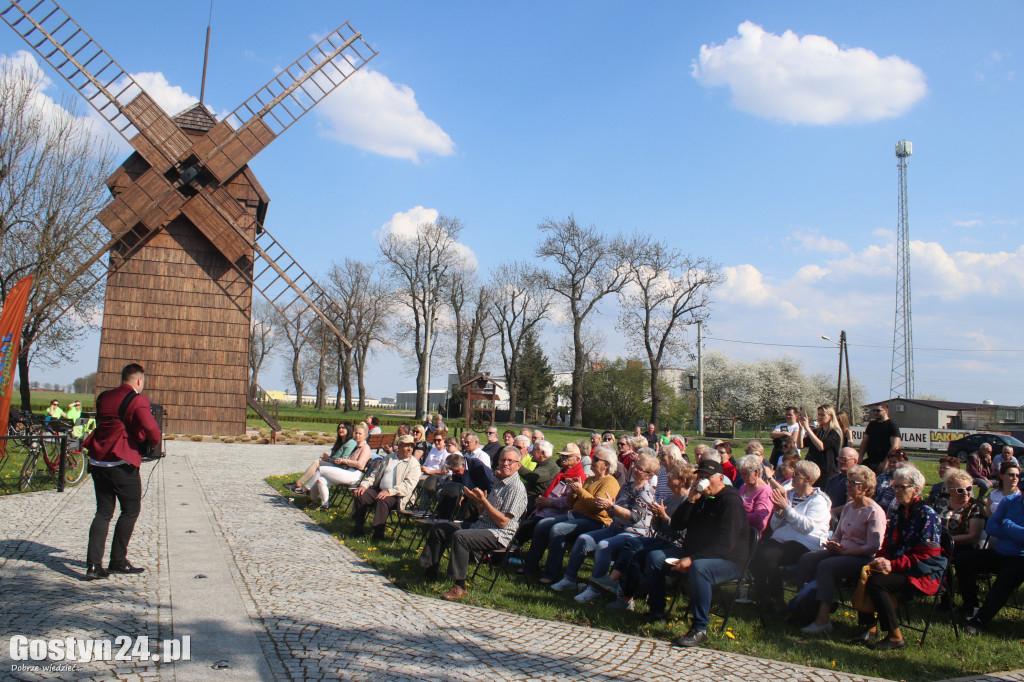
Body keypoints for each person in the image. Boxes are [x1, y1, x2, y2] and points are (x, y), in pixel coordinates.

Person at [646, 460, 749, 648]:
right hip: (695, 553)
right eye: (699, 477)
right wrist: (690, 500)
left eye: (707, 477)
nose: (702, 481)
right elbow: (677, 525)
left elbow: (727, 544)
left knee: (700, 568)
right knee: (655, 557)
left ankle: (699, 628)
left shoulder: (730, 501)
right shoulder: (701, 497)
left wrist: (692, 559)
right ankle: (656, 611)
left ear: (720, 479)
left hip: (729, 560)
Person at [419, 446, 528, 601]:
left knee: (460, 537)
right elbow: (486, 513)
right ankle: (430, 570)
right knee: (440, 528)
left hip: (499, 534)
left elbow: (503, 522)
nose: (505, 464)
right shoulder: (499, 482)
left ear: (518, 465)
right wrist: (478, 501)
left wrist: (484, 501)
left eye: (510, 461)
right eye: (503, 460)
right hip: (482, 525)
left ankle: (460, 585)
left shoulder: (515, 487)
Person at [84, 363, 161, 580]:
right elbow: (152, 428)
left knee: (103, 512)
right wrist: (152, 444)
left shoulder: (104, 397)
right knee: (130, 510)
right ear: (138, 381)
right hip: (121, 462)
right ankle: (117, 561)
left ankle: (93, 565)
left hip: (98, 460)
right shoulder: (137, 399)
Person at [856, 465, 946, 650]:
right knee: (867, 570)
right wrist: (881, 559)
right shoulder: (900, 512)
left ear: (916, 490)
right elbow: (888, 544)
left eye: (901, 487)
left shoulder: (927, 515)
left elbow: (926, 555)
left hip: (921, 571)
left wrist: (893, 565)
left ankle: (895, 636)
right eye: (895, 486)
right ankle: (869, 627)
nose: (896, 491)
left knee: (878, 583)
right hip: (900, 565)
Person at [556, 453, 659, 601]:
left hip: (633, 533)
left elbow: (634, 518)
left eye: (640, 469)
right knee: (584, 538)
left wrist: (612, 507)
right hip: (615, 527)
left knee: (604, 545)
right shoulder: (627, 486)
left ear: (649, 475)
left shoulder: (646, 492)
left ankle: (596, 589)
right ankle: (569, 579)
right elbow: (615, 510)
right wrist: (610, 508)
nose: (635, 470)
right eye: (636, 466)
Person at [798, 465, 886, 634]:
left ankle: (823, 619)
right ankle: (805, 607)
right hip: (841, 552)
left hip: (861, 557)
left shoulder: (874, 511)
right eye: (848, 481)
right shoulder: (849, 507)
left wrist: (845, 552)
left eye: (854, 483)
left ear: (866, 488)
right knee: (807, 559)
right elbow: (838, 534)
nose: (848, 485)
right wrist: (833, 544)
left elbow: (873, 546)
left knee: (827, 566)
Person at [603, 464, 696, 610]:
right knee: (631, 543)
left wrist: (663, 516)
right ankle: (616, 582)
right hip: (661, 539)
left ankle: (626, 593)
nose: (668, 476)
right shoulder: (671, 498)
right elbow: (657, 528)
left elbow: (680, 533)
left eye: (672, 475)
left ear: (683, 481)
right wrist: (657, 517)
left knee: (637, 556)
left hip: (673, 545)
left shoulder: (687, 503)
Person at [524, 446, 620, 583]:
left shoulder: (610, 482)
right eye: (593, 458)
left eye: (596, 459)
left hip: (595, 521)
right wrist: (573, 491)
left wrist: (580, 490)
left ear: (606, 465)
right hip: (577, 515)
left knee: (558, 529)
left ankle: (551, 573)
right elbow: (571, 503)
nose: (592, 461)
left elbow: (595, 508)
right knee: (542, 524)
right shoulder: (590, 479)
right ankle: (530, 567)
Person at [750, 460, 831, 611]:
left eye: (797, 474)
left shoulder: (818, 500)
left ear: (807, 479)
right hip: (782, 538)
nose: (792, 476)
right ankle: (764, 596)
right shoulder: (789, 495)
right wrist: (779, 513)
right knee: (753, 554)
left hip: (805, 542)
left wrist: (786, 508)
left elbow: (806, 527)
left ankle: (779, 599)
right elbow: (775, 526)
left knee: (769, 556)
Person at [956, 486, 1024, 635]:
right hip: (1000, 552)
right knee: (963, 560)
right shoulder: (1010, 501)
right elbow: (991, 527)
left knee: (1007, 576)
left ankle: (980, 619)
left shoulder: (1006, 515)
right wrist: (1016, 533)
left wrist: (1006, 524)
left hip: (1020, 558)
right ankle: (971, 605)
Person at [351, 434, 422, 540]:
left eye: (412, 446)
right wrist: (363, 485)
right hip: (379, 489)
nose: (410, 449)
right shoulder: (389, 458)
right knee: (361, 495)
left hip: (398, 496)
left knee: (382, 500)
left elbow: (408, 486)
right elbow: (375, 474)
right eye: (407, 446)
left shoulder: (413, 464)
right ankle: (358, 528)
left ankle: (378, 533)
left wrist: (389, 492)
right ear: (400, 445)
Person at [515, 445, 586, 545]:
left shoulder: (577, 477)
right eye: (562, 456)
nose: (562, 459)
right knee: (521, 520)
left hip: (559, 513)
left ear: (577, 459)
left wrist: (549, 502)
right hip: (545, 509)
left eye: (566, 457)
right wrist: (542, 500)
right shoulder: (563, 473)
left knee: (530, 526)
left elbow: (568, 502)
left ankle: (512, 552)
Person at [296, 423, 373, 508]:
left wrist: (345, 460)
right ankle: (324, 505)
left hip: (354, 475)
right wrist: (335, 459)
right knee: (321, 480)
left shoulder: (365, 448)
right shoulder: (356, 446)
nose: (357, 435)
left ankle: (306, 489)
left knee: (320, 469)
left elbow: (360, 465)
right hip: (347, 472)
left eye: (360, 434)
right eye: (356, 433)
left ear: (365, 436)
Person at [285, 421, 356, 495]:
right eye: (339, 428)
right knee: (318, 471)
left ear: (349, 429)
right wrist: (327, 457)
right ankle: (313, 499)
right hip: (333, 465)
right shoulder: (340, 442)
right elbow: (334, 458)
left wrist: (328, 459)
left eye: (343, 428)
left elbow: (342, 460)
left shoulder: (350, 443)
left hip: (340, 468)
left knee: (317, 463)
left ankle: (299, 485)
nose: (340, 430)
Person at [940, 468, 986, 553]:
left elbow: (974, 536)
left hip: (963, 549)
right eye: (960, 490)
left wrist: (946, 539)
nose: (966, 492)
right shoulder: (940, 500)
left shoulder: (975, 507)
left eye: (968, 489)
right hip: (937, 544)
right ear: (950, 490)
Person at [799, 404, 843, 489]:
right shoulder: (817, 431)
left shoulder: (834, 433)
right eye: (818, 415)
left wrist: (808, 428)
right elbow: (800, 445)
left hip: (826, 472)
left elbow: (821, 447)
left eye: (822, 415)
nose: (819, 417)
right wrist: (802, 429)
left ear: (830, 416)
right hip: (813, 471)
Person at [859, 404, 901, 473]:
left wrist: (886, 462)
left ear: (886, 411)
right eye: (874, 411)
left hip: (882, 462)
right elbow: (865, 441)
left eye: (878, 411)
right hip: (870, 461)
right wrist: (860, 457)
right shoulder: (872, 424)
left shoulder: (892, 425)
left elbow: (895, 446)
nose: (875, 413)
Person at [736, 454, 773, 534]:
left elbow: (759, 518)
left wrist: (736, 516)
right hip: (737, 527)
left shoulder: (765, 491)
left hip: (749, 532)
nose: (742, 477)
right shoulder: (744, 486)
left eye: (745, 474)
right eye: (741, 474)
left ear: (756, 472)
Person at [520, 440, 559, 511]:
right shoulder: (543, 464)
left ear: (542, 453)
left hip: (534, 502)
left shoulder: (549, 466)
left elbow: (534, 477)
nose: (531, 452)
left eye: (534, 450)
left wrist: (518, 466)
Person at [825, 448, 861, 522]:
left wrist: (828, 513)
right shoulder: (834, 479)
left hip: (843, 522)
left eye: (844, 459)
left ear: (855, 462)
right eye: (839, 458)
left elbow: (850, 505)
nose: (841, 462)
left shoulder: (856, 481)